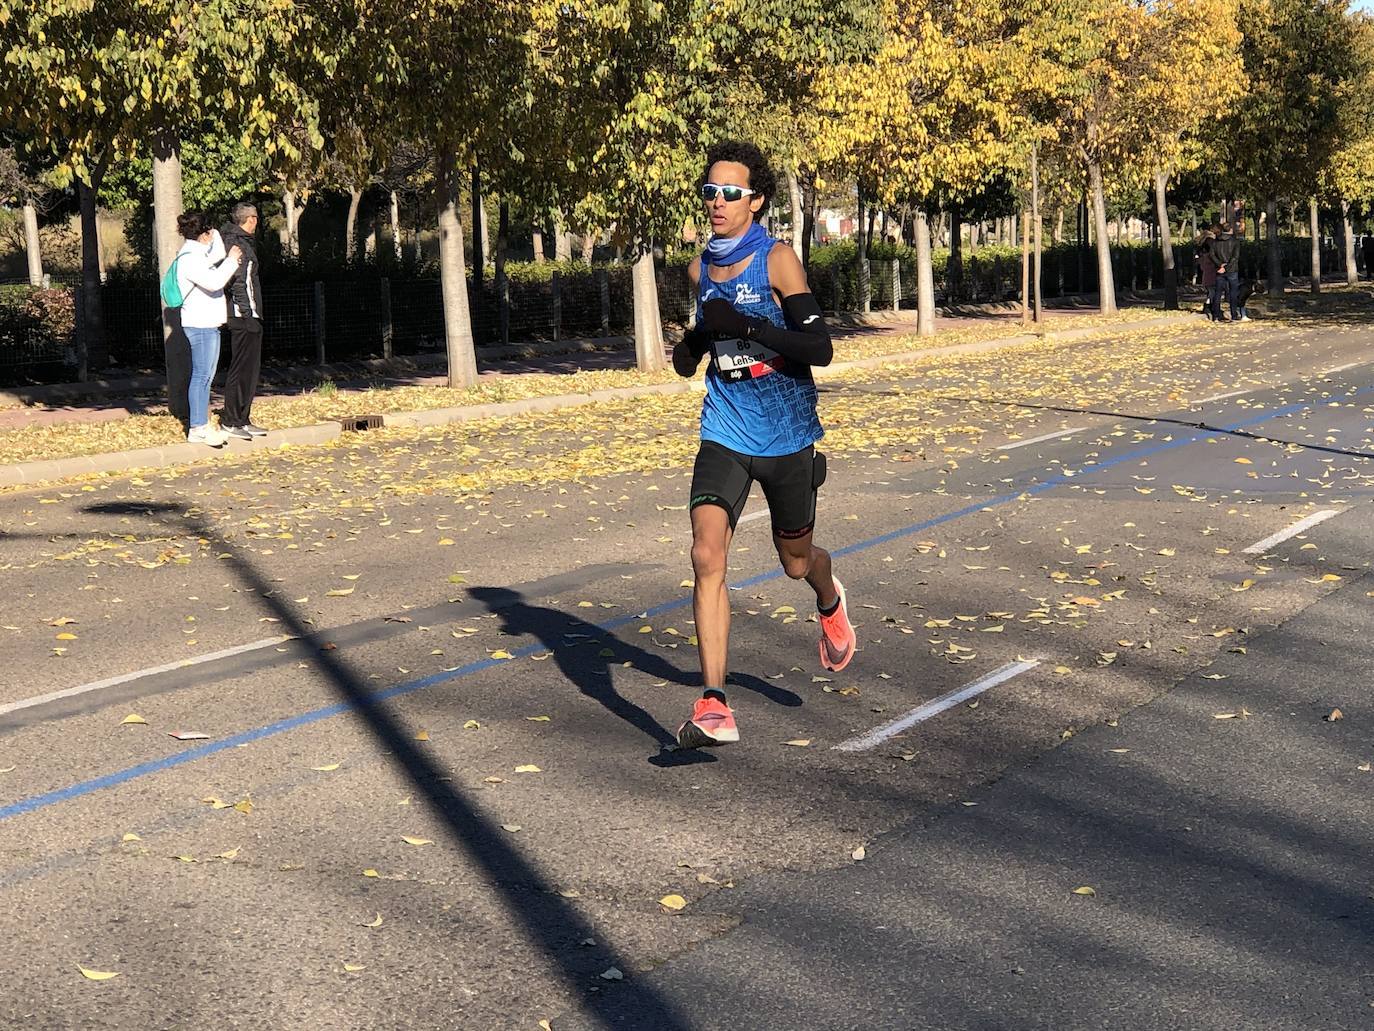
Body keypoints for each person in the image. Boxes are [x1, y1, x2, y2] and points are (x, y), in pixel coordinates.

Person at [671, 140, 856, 749]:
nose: (718, 203)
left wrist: (746, 324)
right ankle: (715, 704)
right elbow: (687, 358)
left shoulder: (777, 260)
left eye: (731, 193)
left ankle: (829, 599)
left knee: (795, 564)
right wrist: (698, 340)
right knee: (705, 556)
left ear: (756, 201)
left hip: (786, 435)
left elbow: (818, 349)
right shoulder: (699, 270)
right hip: (724, 427)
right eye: (710, 192)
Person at [174, 210, 240, 447]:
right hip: (199, 323)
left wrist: (218, 239)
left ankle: (202, 425)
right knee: (201, 376)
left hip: (207, 322)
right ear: (204, 233)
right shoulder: (190, 258)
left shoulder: (198, 252)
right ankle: (197, 427)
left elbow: (218, 252)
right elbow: (214, 282)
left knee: (206, 377)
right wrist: (232, 260)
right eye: (210, 231)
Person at [219, 202, 267, 439]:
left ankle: (243, 417)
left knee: (251, 369)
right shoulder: (236, 243)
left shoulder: (243, 242)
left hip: (251, 314)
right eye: (256, 217)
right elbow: (238, 281)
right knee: (240, 368)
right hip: (242, 315)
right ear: (251, 219)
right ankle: (230, 419)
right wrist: (247, 312)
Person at [1207, 220, 1241, 322]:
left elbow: (1211, 255)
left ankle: (1216, 315)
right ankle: (1234, 314)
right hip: (1232, 269)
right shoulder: (1235, 241)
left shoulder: (1215, 242)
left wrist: (1220, 265)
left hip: (1219, 270)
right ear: (1230, 229)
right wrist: (1226, 266)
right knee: (1233, 293)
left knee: (1218, 293)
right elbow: (1235, 257)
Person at [1195, 225, 1219, 320]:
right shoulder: (1210, 255)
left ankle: (1208, 307)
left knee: (1210, 292)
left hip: (1205, 273)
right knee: (1212, 292)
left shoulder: (1201, 253)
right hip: (1212, 274)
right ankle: (1209, 307)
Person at [1231, 218, 1252, 321]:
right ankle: (1239, 314)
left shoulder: (1218, 243)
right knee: (1238, 295)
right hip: (1234, 270)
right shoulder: (1236, 245)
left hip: (1228, 269)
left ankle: (1235, 314)